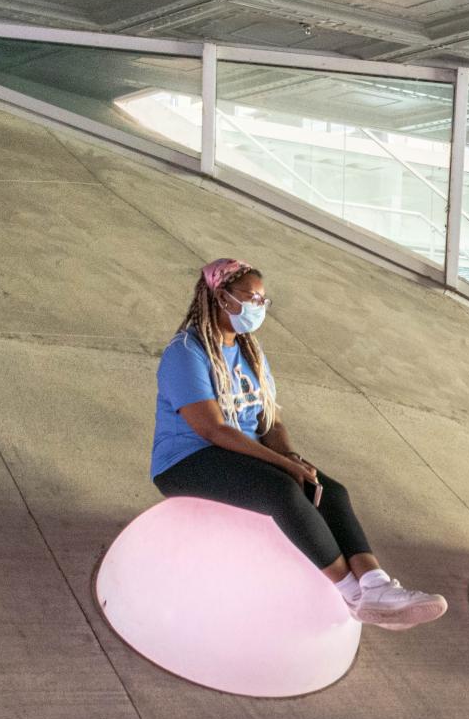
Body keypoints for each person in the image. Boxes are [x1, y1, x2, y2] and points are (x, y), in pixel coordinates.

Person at [150, 258, 445, 628]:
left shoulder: (250, 353)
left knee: (330, 490)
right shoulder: (186, 352)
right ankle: (354, 595)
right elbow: (214, 430)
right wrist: (285, 467)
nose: (259, 307)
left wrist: (290, 456)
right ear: (222, 298)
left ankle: (377, 585)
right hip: (188, 459)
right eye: (251, 298)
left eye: (263, 300)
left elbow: (269, 422)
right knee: (283, 490)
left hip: (238, 453)